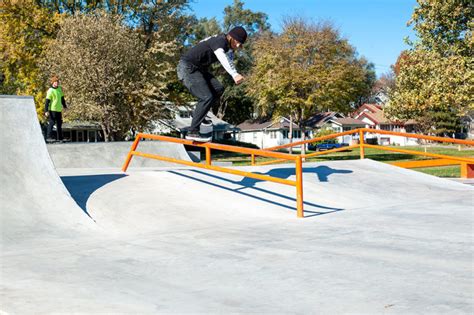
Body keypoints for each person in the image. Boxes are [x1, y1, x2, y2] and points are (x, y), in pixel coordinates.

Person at [177, 26, 247, 142]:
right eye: (238, 42)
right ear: (231, 37)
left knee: (218, 88)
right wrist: (234, 74)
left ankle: (201, 115)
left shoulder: (223, 43)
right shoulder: (220, 41)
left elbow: (228, 59)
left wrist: (235, 71)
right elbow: (222, 57)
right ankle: (193, 131)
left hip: (198, 69)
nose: (238, 46)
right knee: (206, 97)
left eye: (241, 44)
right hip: (187, 68)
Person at [44, 75, 67, 142]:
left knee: (59, 123)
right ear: (52, 83)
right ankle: (48, 137)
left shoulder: (59, 89)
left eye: (57, 82)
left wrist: (65, 106)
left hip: (59, 110)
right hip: (52, 109)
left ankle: (60, 138)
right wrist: (46, 110)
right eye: (55, 82)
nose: (56, 83)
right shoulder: (50, 90)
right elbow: (47, 101)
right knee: (52, 123)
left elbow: (62, 99)